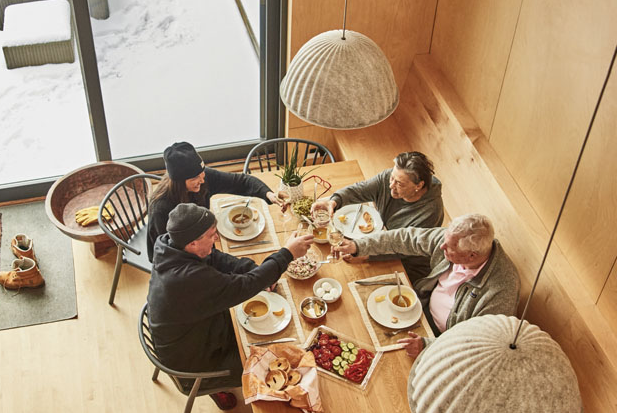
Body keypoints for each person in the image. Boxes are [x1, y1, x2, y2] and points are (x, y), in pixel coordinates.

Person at [148, 203, 314, 410]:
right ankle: (221, 391)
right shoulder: (188, 280)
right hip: (193, 360)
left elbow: (215, 257)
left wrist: (257, 270)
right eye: (211, 235)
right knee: (271, 362)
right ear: (192, 243)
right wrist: (286, 254)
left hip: (193, 329)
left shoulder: (169, 244)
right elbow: (243, 287)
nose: (216, 238)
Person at [332, 213, 519, 355]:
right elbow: (406, 238)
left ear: (472, 256)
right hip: (420, 308)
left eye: (449, 248)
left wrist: (426, 345)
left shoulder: (502, 288)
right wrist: (359, 246)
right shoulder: (454, 240)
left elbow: (478, 344)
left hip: (442, 343)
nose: (441, 247)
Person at [311, 151, 444, 281]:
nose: (391, 185)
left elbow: (404, 247)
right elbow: (360, 189)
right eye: (392, 178)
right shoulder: (390, 178)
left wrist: (367, 256)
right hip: (377, 243)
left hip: (407, 263)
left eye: (400, 184)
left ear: (419, 185)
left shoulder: (430, 211)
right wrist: (334, 201)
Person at [146, 141, 278, 260]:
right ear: (179, 181)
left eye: (202, 173)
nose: (202, 180)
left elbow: (241, 182)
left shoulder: (203, 178)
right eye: (195, 178)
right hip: (180, 257)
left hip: (202, 242)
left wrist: (268, 194)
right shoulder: (160, 208)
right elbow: (167, 251)